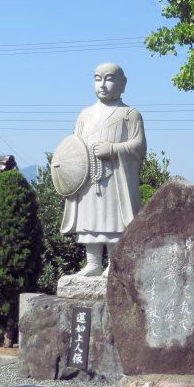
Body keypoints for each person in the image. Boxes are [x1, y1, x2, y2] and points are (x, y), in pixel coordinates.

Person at [60, 62, 146, 276]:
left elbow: (139, 146)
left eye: (109, 79)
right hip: (88, 177)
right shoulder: (84, 115)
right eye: (98, 79)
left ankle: (114, 265)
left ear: (122, 83)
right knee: (90, 219)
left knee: (114, 220)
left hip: (116, 177)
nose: (103, 84)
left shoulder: (130, 114)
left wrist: (114, 149)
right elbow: (73, 146)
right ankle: (93, 262)